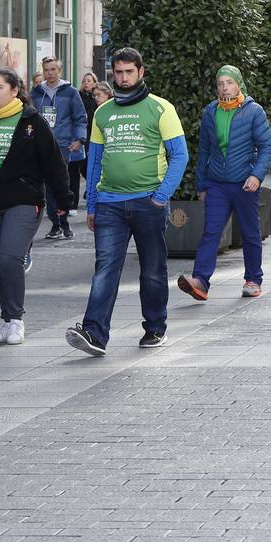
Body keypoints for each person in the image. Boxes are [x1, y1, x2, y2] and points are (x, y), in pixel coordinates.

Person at [66, 49, 189, 356]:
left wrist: (161, 197)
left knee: (152, 269)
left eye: (128, 72)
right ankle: (94, 333)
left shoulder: (161, 108)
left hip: (149, 202)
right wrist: (92, 205)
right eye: (117, 73)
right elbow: (94, 162)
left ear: (140, 72)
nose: (122, 78)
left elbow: (180, 155)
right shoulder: (103, 113)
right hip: (109, 204)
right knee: (105, 267)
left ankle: (155, 327)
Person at [0, 69, 71, 345]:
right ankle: (6, 319)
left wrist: (63, 200)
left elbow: (54, 162)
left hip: (24, 199)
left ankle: (17, 320)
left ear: (14, 90)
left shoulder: (32, 121)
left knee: (10, 259)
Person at [178, 66, 271, 302]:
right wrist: (201, 185)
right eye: (220, 83)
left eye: (229, 83)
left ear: (238, 84)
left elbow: (267, 147)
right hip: (217, 185)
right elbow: (204, 150)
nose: (224, 87)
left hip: (245, 184)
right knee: (210, 232)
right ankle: (200, 281)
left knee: (251, 233)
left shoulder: (254, 111)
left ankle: (253, 280)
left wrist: (256, 175)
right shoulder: (210, 112)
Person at [30, 58, 88, 241]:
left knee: (61, 186)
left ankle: (64, 222)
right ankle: (56, 223)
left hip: (63, 145)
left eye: (53, 69)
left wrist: (79, 139)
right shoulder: (36, 92)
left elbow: (80, 117)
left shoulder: (70, 92)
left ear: (60, 71)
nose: (50, 73)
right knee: (47, 187)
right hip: (42, 145)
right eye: (46, 69)